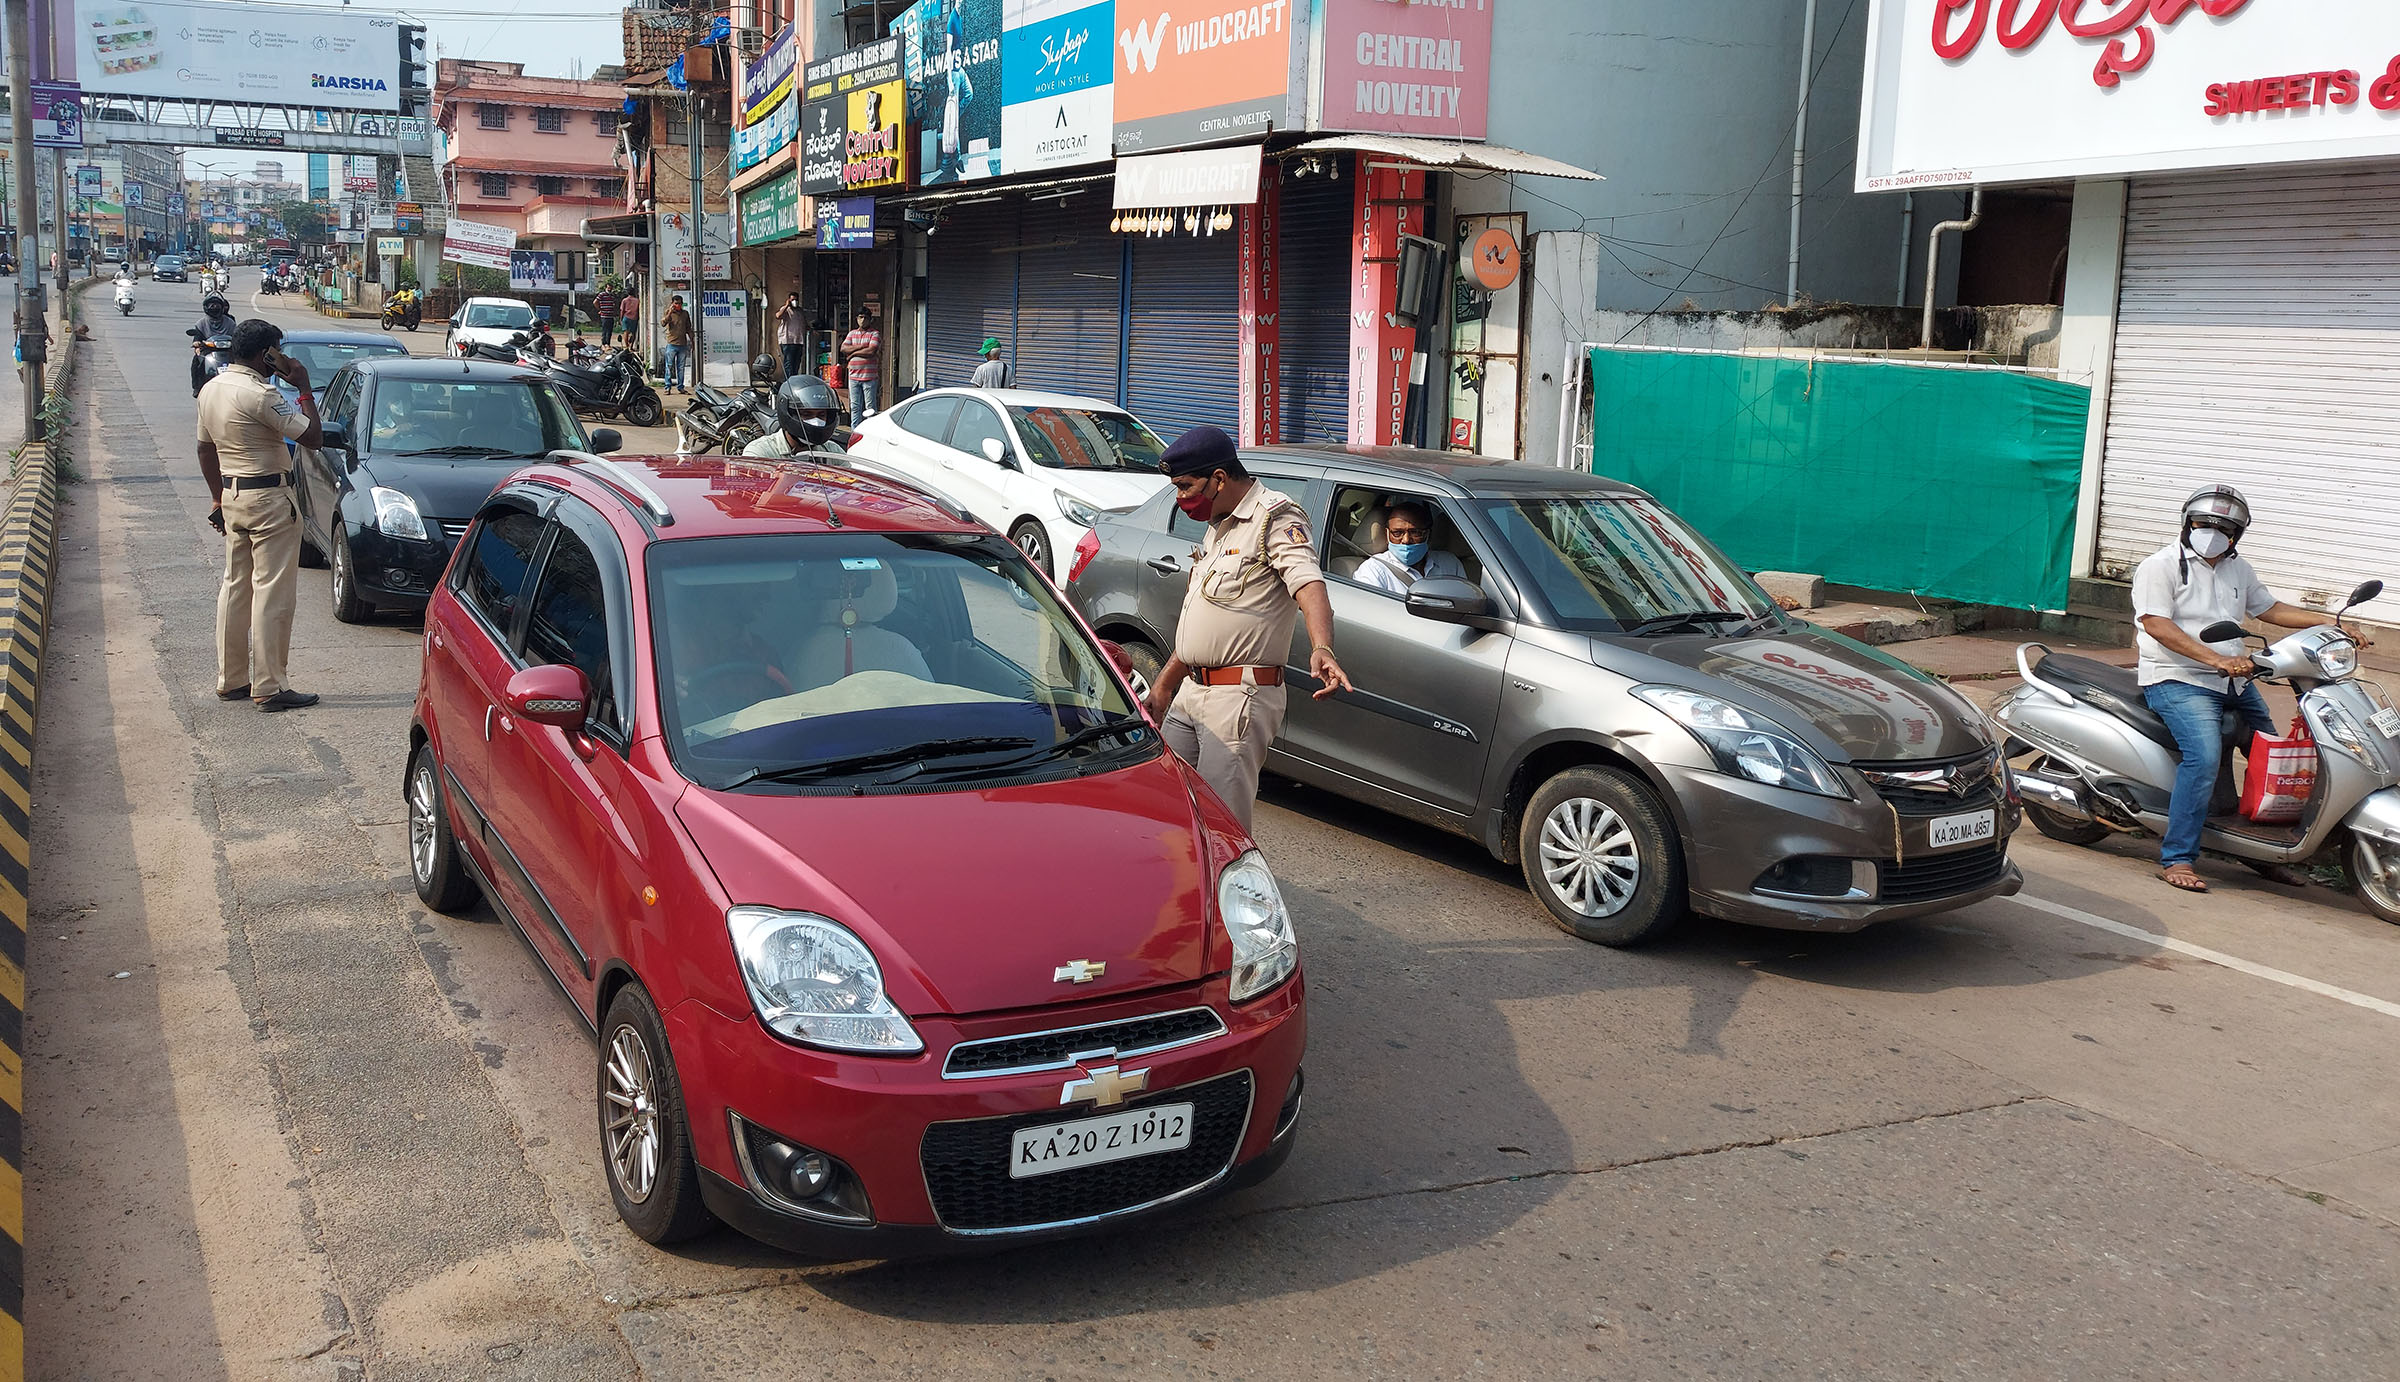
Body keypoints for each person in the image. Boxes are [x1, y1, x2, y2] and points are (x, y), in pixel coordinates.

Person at [2134, 484, 2367, 895]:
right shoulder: (2160, 565)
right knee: (2203, 759)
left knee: (2280, 762)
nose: (2212, 533)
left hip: (2236, 682)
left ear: (2236, 535)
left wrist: (2331, 623)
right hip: (2178, 679)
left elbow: (2270, 609)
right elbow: (2156, 624)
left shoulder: (2238, 568)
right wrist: (2215, 659)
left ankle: (2265, 853)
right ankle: (2178, 856)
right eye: (2203, 524)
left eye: (2224, 528)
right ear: (2187, 524)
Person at [1141, 426, 1352, 830]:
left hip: (1237, 697)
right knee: (1169, 811)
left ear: (1219, 479)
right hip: (1191, 692)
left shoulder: (1275, 517)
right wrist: (1165, 686)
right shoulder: (1219, 523)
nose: (1180, 498)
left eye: (1185, 487)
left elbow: (1308, 584)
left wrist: (1322, 647)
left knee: (1221, 826)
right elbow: (1205, 624)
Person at [196, 319, 323, 712]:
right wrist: (303, 386)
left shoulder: (211, 388)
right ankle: (270, 685)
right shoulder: (263, 395)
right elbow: (313, 437)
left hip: (232, 496)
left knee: (236, 588)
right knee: (272, 592)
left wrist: (217, 499)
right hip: (269, 498)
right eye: (277, 352)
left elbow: (204, 449)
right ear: (266, 354)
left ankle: (231, 678)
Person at [1357, 499, 1467, 594]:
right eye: (1397, 533)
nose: (1406, 540)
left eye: (1415, 532)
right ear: (1387, 534)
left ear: (1428, 534)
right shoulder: (1374, 570)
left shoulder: (1450, 563)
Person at [741, 375, 847, 459]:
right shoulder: (760, 452)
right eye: (807, 414)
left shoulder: (832, 452)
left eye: (821, 415)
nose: (816, 421)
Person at [189, 292, 237, 396]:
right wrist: (197, 344)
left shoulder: (230, 322)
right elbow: (197, 337)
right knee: (197, 361)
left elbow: (236, 336)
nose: (214, 308)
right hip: (208, 350)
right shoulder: (201, 323)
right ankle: (197, 387)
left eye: (217, 305)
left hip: (228, 351)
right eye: (211, 305)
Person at [841, 310, 881, 419]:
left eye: (865, 318)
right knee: (854, 406)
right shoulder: (852, 333)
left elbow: (871, 351)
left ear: (870, 320)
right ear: (857, 319)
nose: (863, 320)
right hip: (853, 376)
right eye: (860, 317)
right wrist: (861, 346)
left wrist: (853, 354)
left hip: (869, 377)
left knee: (870, 407)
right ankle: (855, 428)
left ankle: (871, 428)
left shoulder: (874, 334)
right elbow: (843, 348)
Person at [661, 294, 692, 392]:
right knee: (669, 366)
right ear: (672, 304)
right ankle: (667, 386)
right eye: (676, 303)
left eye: (680, 303)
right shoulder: (668, 312)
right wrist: (670, 312)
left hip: (682, 344)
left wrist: (693, 341)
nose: (678, 305)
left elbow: (688, 328)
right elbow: (663, 323)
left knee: (681, 367)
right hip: (671, 343)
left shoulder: (685, 314)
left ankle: (680, 387)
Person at [775, 290, 807, 380]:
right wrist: (786, 306)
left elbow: (804, 323)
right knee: (789, 363)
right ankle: (788, 381)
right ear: (789, 300)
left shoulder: (800, 311)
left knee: (796, 363)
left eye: (796, 300)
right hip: (788, 341)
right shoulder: (786, 310)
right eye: (792, 300)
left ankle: (794, 380)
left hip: (799, 340)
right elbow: (778, 316)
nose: (794, 302)